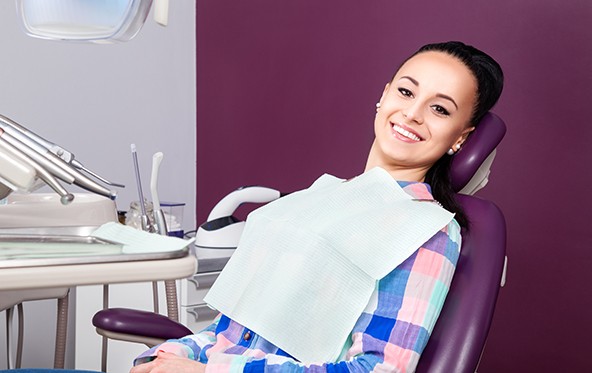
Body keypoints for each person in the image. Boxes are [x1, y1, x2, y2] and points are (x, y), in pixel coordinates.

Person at [1, 41, 502, 373]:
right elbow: (230, 333)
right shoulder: (320, 199)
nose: (412, 113)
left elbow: (378, 370)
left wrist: (207, 371)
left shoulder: (425, 231)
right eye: (406, 91)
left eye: (439, 108)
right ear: (383, 95)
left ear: (461, 137)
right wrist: (171, 354)